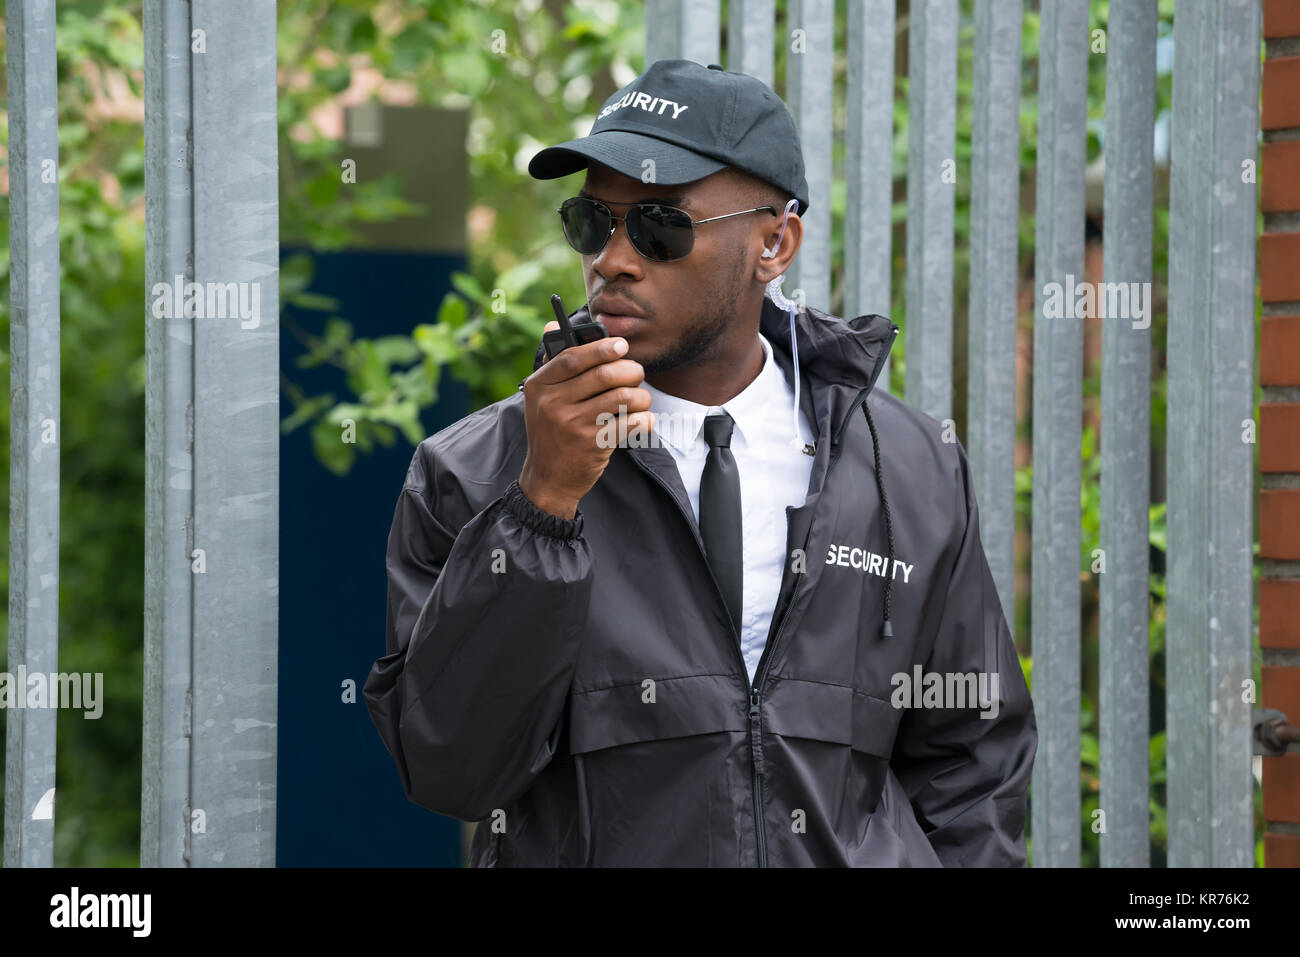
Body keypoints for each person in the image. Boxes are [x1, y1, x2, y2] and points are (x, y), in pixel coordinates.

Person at [363, 58, 1037, 866]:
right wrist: (541, 505)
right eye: (591, 221)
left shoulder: (910, 467)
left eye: (658, 225)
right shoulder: (473, 474)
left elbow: (975, 760)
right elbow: (452, 768)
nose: (613, 257)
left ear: (774, 242)